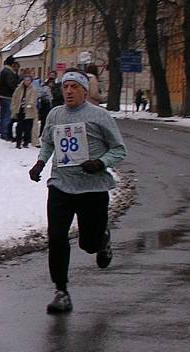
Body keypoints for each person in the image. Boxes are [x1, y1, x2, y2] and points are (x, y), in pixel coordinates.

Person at [28, 68, 127, 314]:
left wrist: (100, 163)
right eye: (66, 87)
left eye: (75, 87)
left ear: (84, 91)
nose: (69, 91)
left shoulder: (99, 116)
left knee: (89, 244)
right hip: (60, 185)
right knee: (57, 237)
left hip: (92, 188)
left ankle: (101, 240)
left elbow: (119, 150)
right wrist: (41, 162)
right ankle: (61, 291)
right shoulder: (55, 114)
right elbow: (48, 141)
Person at [11, 76, 38, 149]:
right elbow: (14, 97)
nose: (27, 82)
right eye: (25, 80)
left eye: (28, 80)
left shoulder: (33, 89)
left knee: (28, 128)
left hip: (29, 111)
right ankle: (18, 142)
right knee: (19, 127)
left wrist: (30, 104)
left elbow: (33, 98)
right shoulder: (19, 89)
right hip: (20, 110)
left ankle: (26, 142)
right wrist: (13, 107)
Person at [0, 56, 20, 141]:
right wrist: (16, 87)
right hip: (8, 96)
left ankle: (2, 132)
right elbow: (10, 84)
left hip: (3, 95)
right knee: (7, 116)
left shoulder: (4, 71)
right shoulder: (8, 72)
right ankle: (5, 133)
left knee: (3, 115)